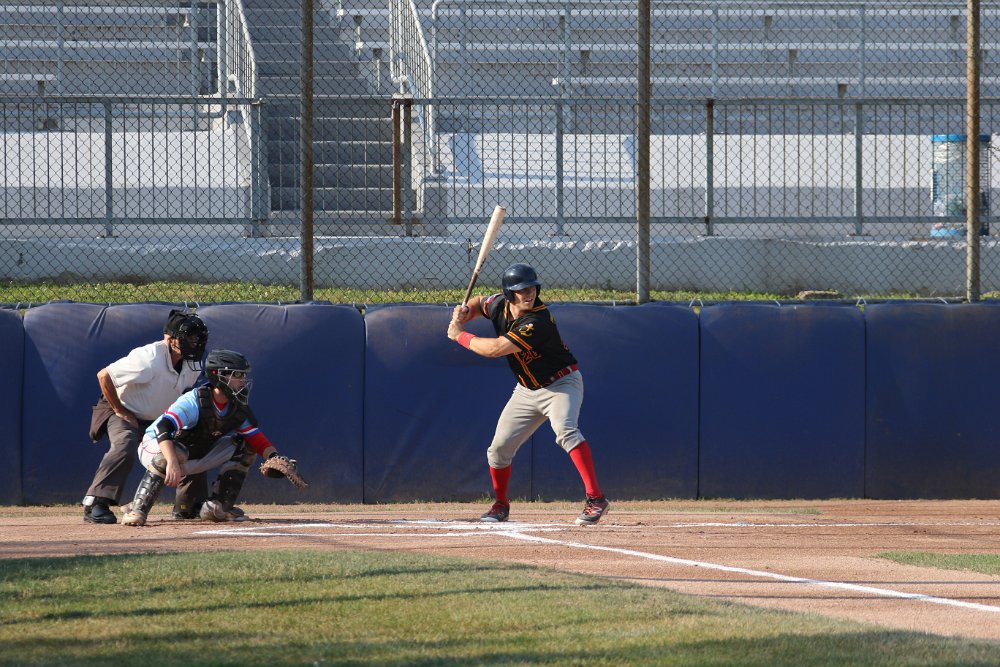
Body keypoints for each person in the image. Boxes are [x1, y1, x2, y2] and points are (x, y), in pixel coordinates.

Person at [447, 262, 610, 526]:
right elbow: (479, 302)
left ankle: (596, 498)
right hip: (527, 390)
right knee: (498, 450)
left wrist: (459, 335)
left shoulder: (537, 320)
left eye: (532, 288)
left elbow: (495, 349)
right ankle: (501, 505)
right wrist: (468, 312)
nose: (529, 293)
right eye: (522, 290)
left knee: (566, 431)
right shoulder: (499, 304)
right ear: (509, 294)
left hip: (561, 384)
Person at [122, 349, 283, 527]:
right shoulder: (194, 400)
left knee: (245, 446)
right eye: (237, 375)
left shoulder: (236, 406)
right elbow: (163, 427)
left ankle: (217, 508)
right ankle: (137, 509)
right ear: (218, 375)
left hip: (192, 454)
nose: (243, 380)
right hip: (156, 447)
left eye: (243, 375)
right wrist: (172, 461)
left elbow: (255, 438)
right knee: (175, 452)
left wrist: (275, 457)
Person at [82, 309, 208, 524]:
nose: (193, 342)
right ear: (169, 339)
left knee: (191, 441)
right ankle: (96, 502)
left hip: (157, 419)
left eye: (196, 337)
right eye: (188, 336)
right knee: (125, 442)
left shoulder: (193, 365)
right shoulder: (149, 358)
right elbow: (103, 375)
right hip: (122, 408)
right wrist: (121, 411)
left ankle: (188, 504)